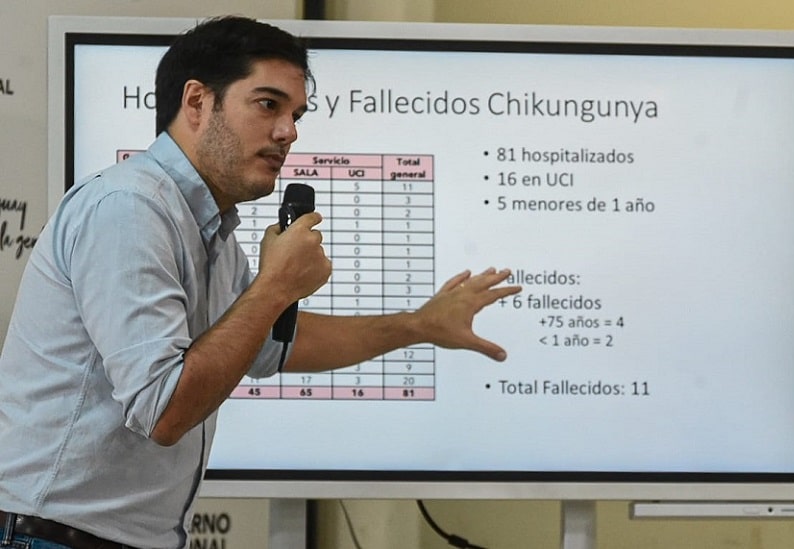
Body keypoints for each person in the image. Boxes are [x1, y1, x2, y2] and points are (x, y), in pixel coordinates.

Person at [0, 15, 521, 549]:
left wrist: (418, 325)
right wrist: (276, 285)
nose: (288, 131)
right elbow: (164, 409)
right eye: (268, 104)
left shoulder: (206, 224)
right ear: (198, 102)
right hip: (56, 537)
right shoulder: (130, 209)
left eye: (296, 114)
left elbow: (275, 344)